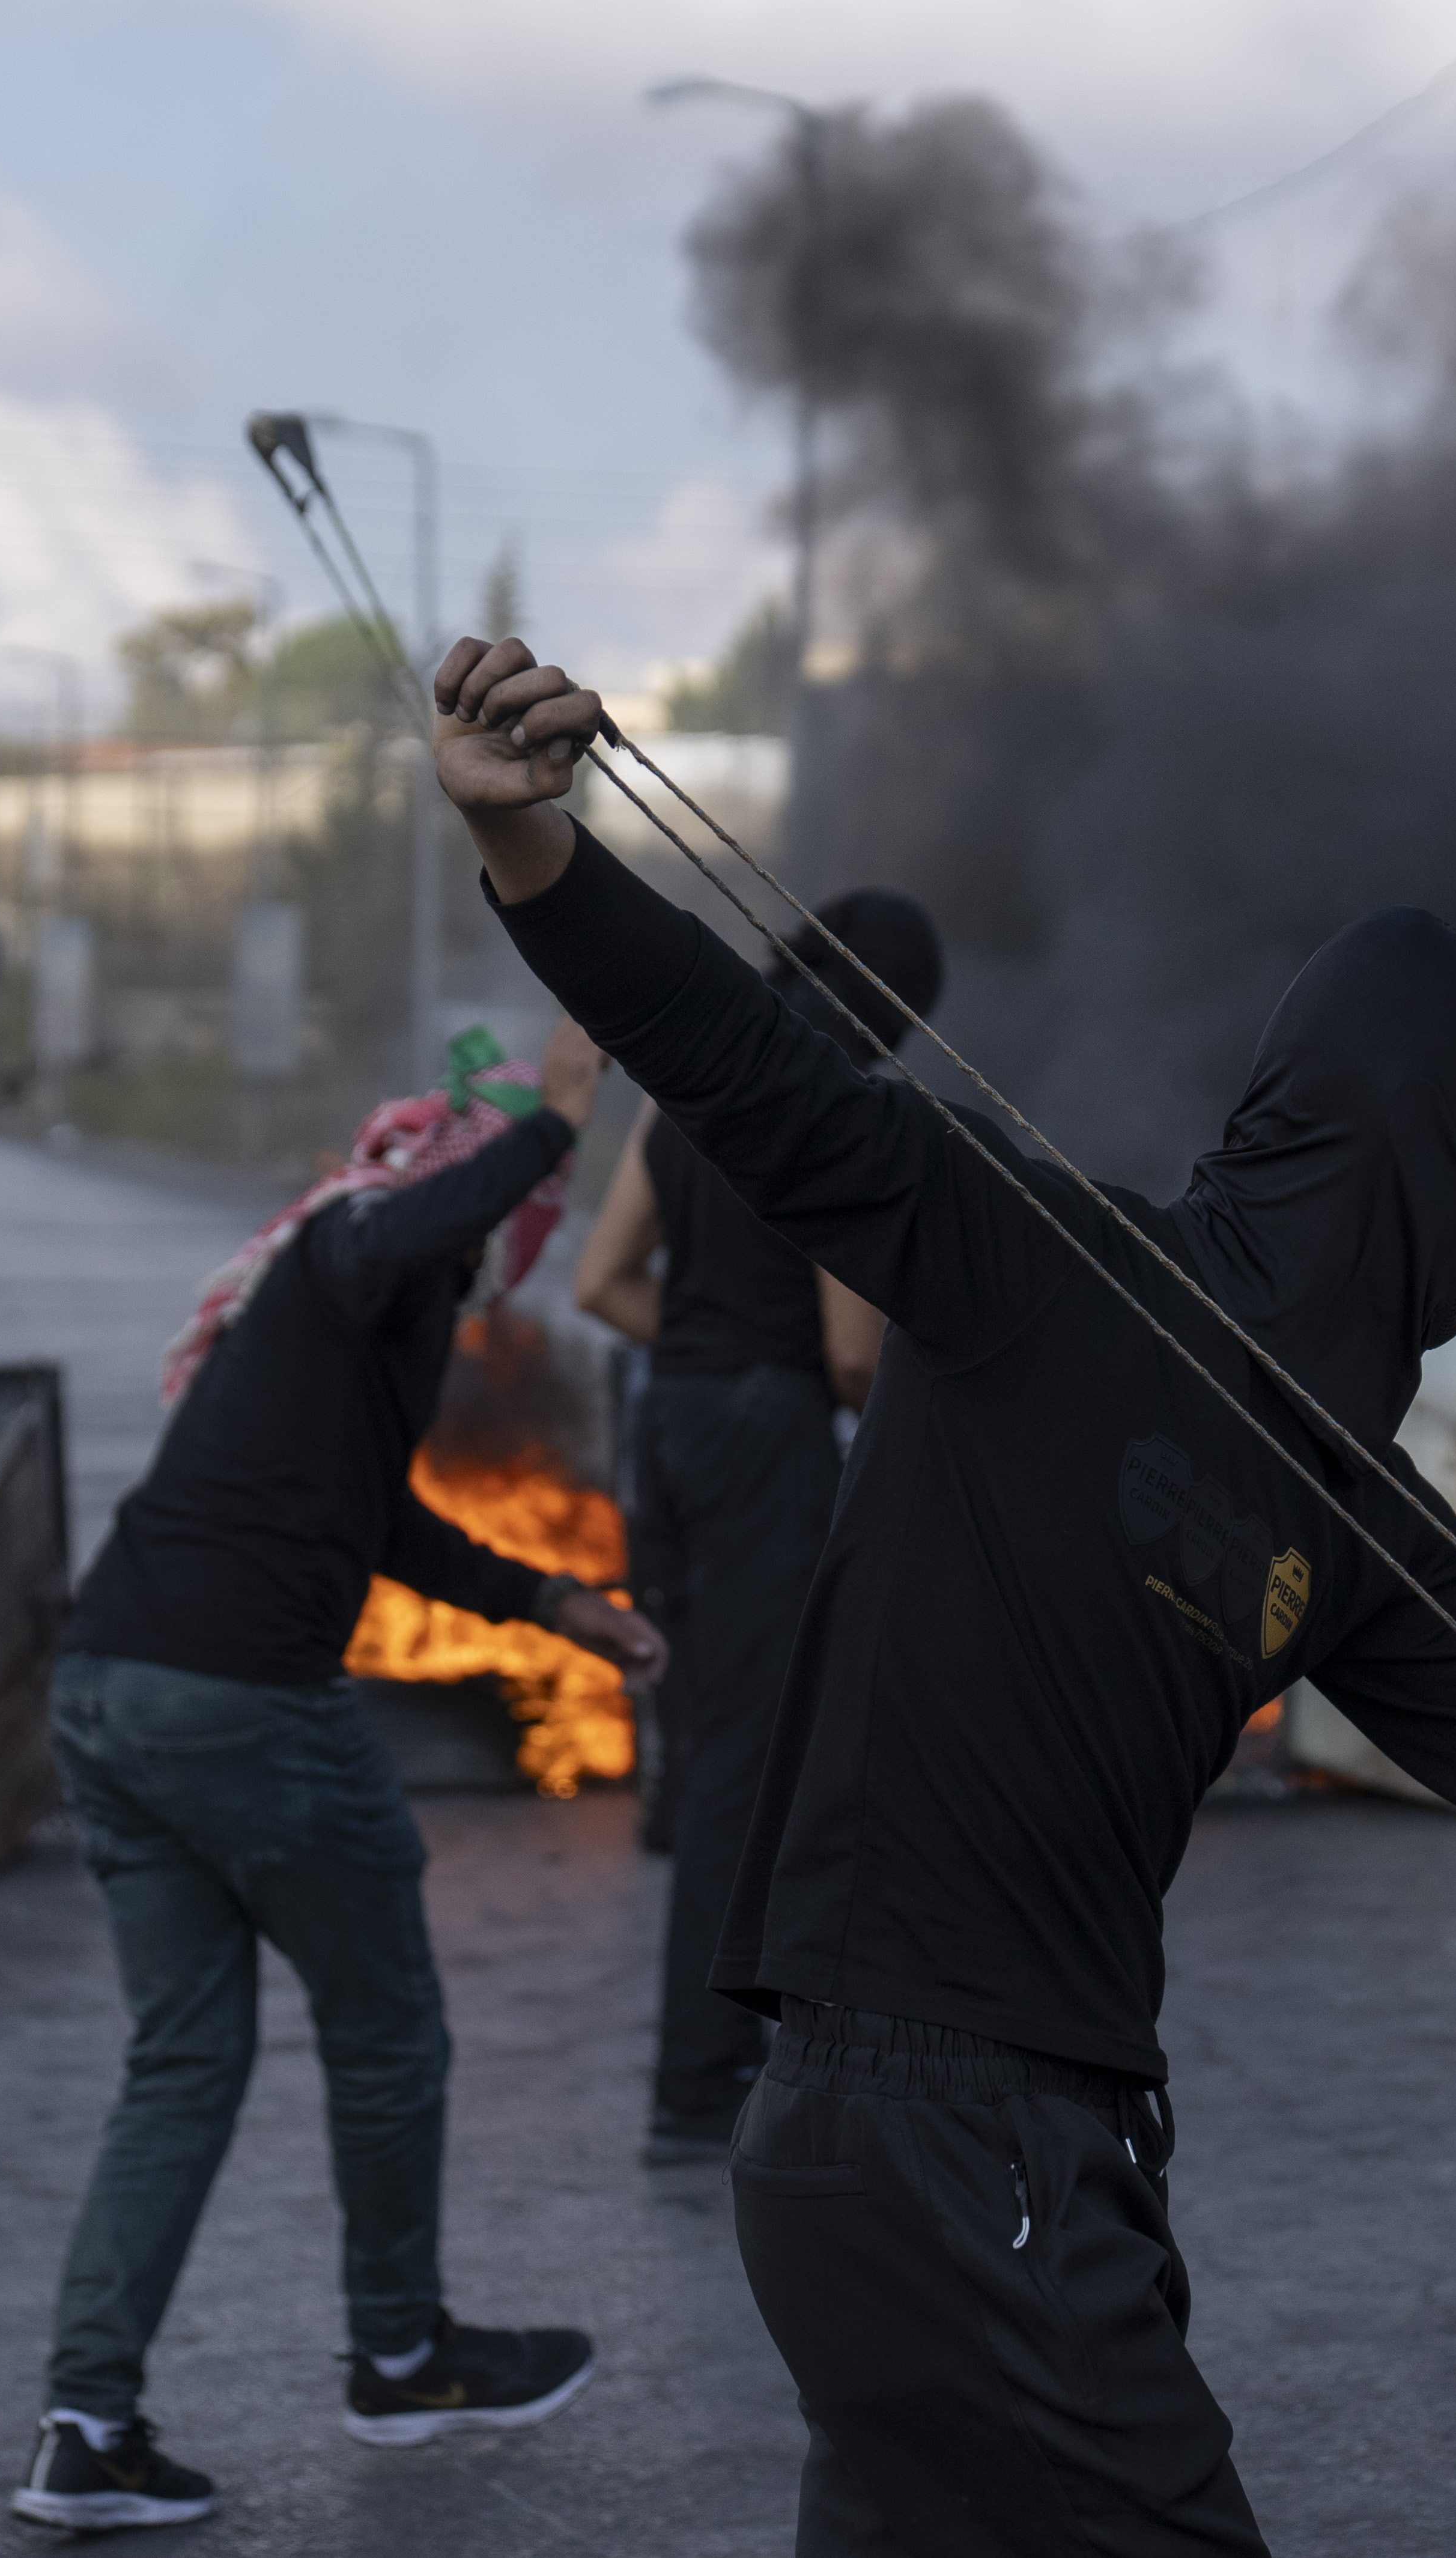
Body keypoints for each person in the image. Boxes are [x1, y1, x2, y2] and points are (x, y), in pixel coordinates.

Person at [429, 635, 1456, 2554]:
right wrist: (535, 859)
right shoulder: (1038, 1259)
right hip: (936, 2130)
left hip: (971, 2158)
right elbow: (756, 1069)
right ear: (1392, 1137)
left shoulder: (1360, 1518)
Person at [13, 1020, 672, 2538]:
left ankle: (86, 2422)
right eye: (511, 1222)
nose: (511, 1254)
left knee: (183, 2063)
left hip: (115, 1692)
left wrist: (555, 1601)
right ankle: (403, 2353)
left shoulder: (356, 1321)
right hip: (239, 1706)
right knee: (388, 2029)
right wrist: (557, 1120)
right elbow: (402, 1230)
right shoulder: (348, 1258)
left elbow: (376, 1521)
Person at [571, 889, 945, 2168]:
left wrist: (703, 1350)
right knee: (750, 1765)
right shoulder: (838, 1100)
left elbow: (600, 1280)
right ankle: (696, 2082)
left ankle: (741, 2044)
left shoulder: (692, 1076)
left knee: (709, 1751)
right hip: (764, 1439)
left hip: (669, 1426)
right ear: (894, 1018)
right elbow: (851, 1354)